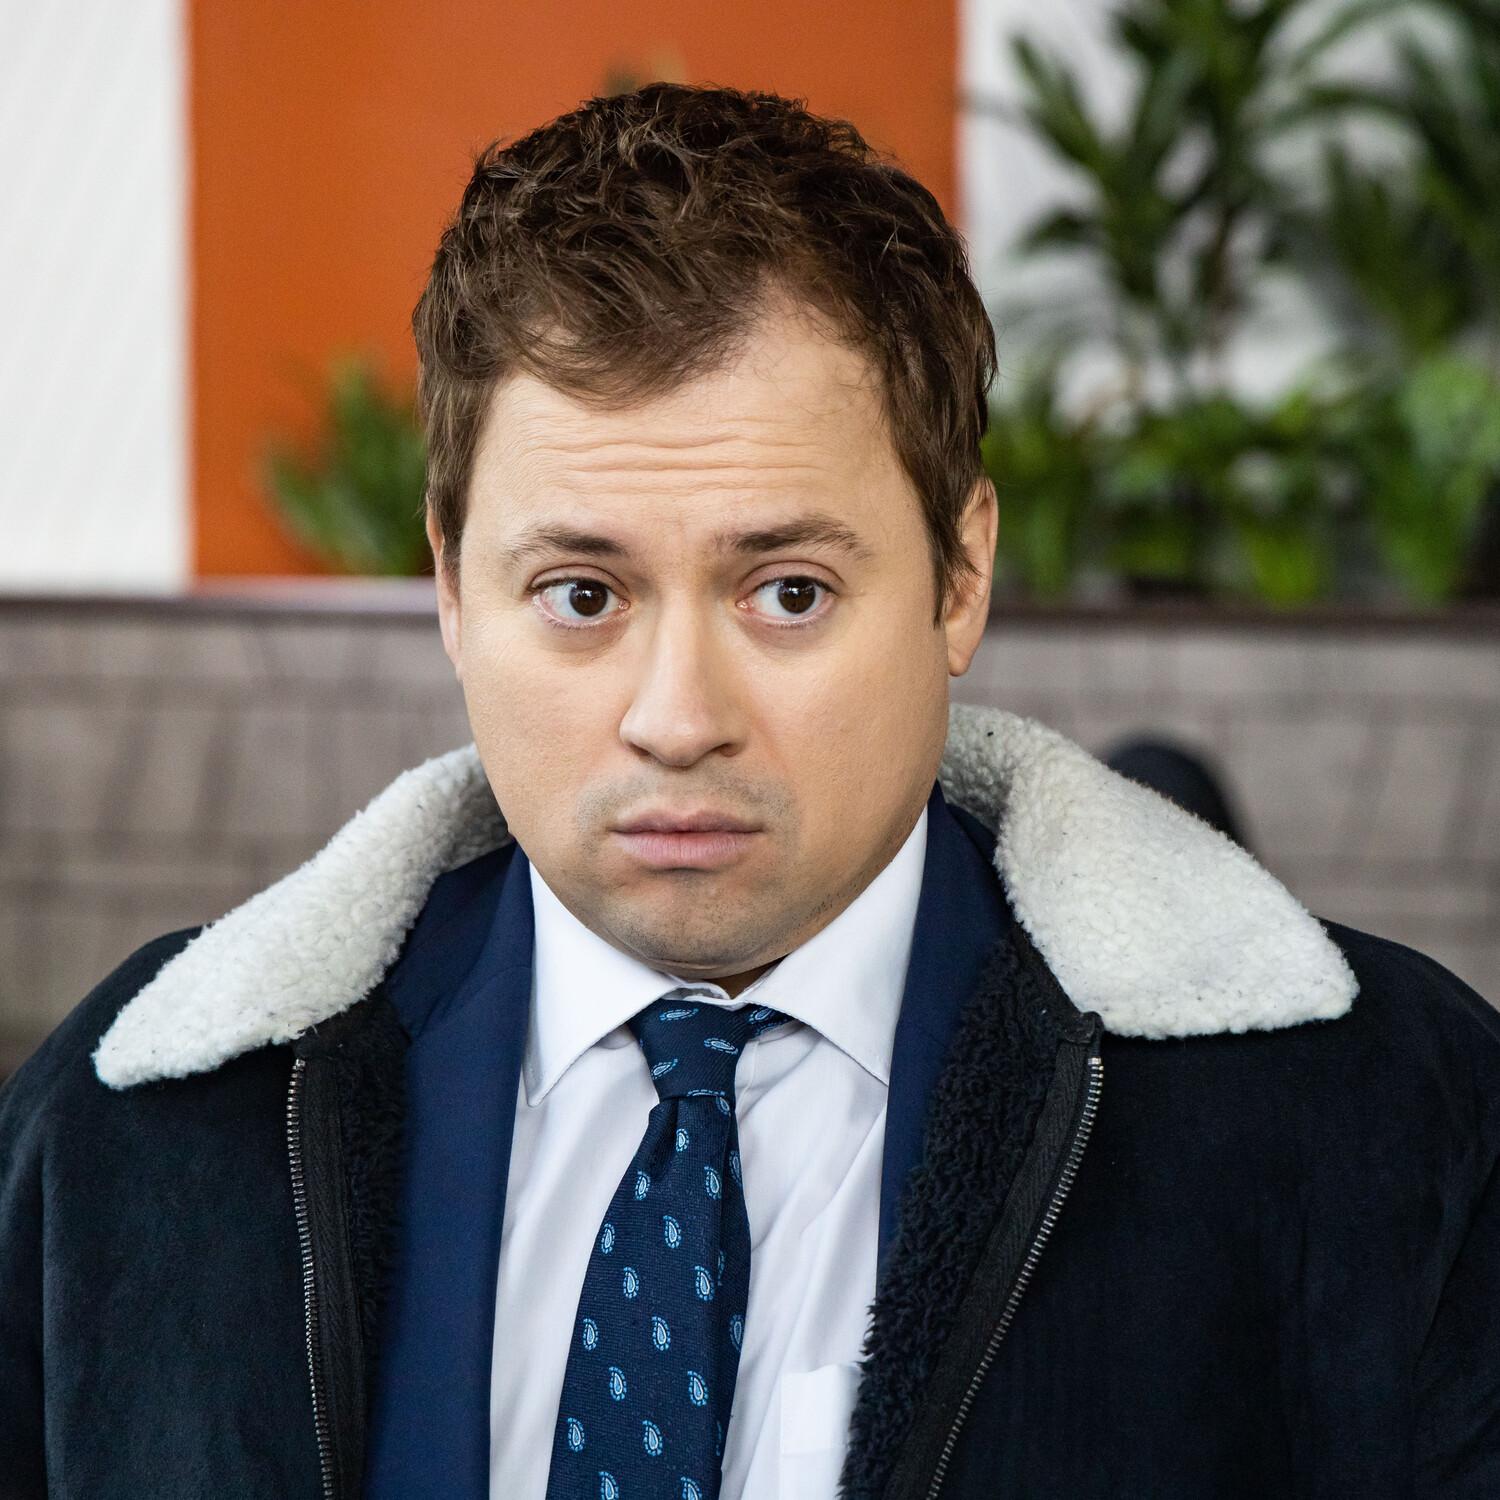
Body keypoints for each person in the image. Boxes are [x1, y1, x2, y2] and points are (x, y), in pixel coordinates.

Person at [2, 82, 1497, 1500]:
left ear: (961, 575)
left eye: (788, 592)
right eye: (582, 595)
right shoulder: (137, 1141)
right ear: (452, 588)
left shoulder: (1381, 1126)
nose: (677, 721)